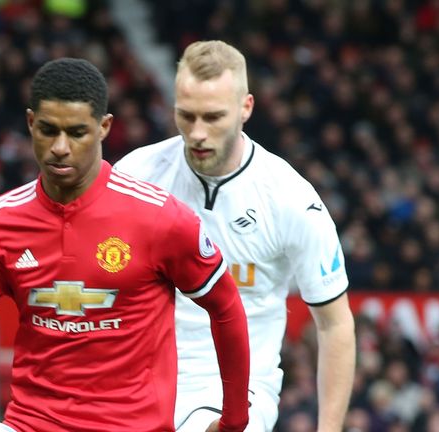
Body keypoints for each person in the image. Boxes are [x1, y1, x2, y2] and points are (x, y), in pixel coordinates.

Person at [0, 57, 251, 432]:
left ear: (104, 128)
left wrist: (234, 420)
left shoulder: (160, 218)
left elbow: (226, 307)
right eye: (49, 130)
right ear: (30, 123)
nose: (60, 147)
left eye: (76, 132)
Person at [115, 41, 356, 431]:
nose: (197, 133)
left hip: (236, 389)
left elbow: (335, 324)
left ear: (246, 108)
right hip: (136, 378)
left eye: (212, 117)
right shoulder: (133, 177)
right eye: (186, 115)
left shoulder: (291, 200)